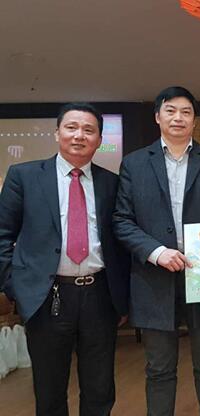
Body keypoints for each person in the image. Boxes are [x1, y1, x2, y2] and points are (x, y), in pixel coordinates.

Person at [113, 86, 200, 416]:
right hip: (153, 279)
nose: (178, 117)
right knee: (159, 370)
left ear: (195, 120)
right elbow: (122, 220)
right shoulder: (134, 164)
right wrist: (156, 251)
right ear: (157, 117)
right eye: (170, 110)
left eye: (186, 112)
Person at [0, 103, 130, 415]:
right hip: (46, 297)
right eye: (71, 127)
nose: (79, 135)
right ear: (57, 133)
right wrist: (16, 286)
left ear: (99, 140)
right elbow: (2, 235)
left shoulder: (112, 183)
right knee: (49, 391)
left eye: (89, 130)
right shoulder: (24, 176)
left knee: (100, 389)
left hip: (99, 295)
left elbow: (121, 240)